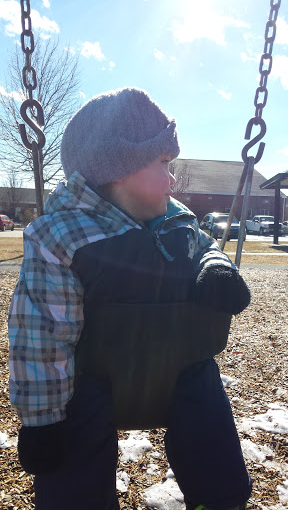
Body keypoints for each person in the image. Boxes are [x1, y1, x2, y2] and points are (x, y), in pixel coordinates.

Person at [8, 87, 252, 510]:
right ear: (119, 168)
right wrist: (40, 421)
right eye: (163, 163)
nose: (173, 178)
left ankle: (219, 501)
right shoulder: (64, 236)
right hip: (92, 377)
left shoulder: (177, 220)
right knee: (72, 439)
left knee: (207, 403)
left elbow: (204, 245)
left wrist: (217, 267)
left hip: (176, 369)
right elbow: (40, 336)